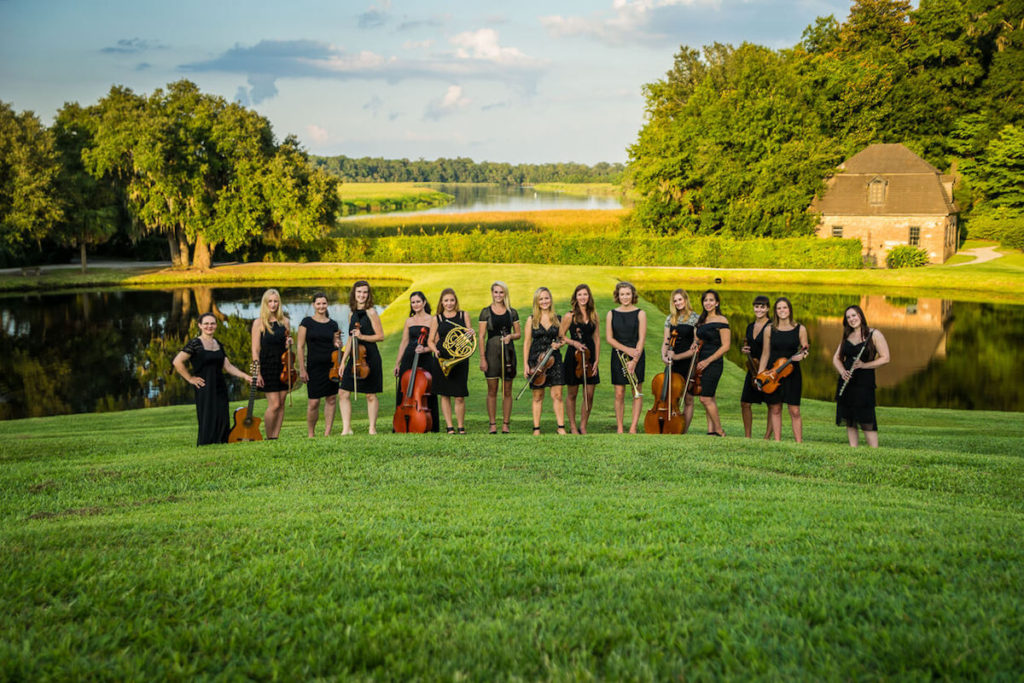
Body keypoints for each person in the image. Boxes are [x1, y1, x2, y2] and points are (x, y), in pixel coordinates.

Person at [173, 312, 254, 445]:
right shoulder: (195, 343)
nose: (209, 326)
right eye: (206, 323)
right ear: (200, 325)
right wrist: (190, 378)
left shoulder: (218, 344)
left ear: (216, 325)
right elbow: (177, 362)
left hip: (220, 385)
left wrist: (245, 376)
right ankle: (207, 443)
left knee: (222, 415)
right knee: (208, 416)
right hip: (204, 386)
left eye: (212, 323)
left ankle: (222, 441)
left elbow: (227, 366)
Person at [833, 304, 890, 448]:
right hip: (847, 382)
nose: (852, 319)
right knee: (850, 417)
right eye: (848, 317)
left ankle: (874, 450)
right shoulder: (847, 336)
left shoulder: (874, 334)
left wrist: (864, 365)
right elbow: (836, 358)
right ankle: (853, 449)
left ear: (860, 315)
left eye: (854, 315)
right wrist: (842, 372)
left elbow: (885, 358)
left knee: (867, 416)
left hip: (864, 382)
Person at [759, 297, 810, 443]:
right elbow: (765, 353)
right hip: (773, 374)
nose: (782, 311)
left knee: (794, 410)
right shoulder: (769, 329)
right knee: (775, 409)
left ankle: (799, 443)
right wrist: (760, 375)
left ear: (790, 310)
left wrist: (803, 356)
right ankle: (777, 441)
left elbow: (805, 349)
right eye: (779, 308)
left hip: (792, 373)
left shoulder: (800, 328)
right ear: (775, 311)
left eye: (785, 308)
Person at [339, 280, 384, 435]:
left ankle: (372, 428)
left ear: (368, 294)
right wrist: (343, 361)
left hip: (369, 356)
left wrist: (362, 335)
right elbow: (351, 339)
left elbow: (380, 336)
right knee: (343, 392)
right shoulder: (352, 313)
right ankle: (346, 428)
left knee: (370, 394)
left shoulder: (371, 312)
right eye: (359, 292)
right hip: (354, 356)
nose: (362, 295)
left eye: (365, 292)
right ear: (354, 294)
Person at [428, 288, 474, 434]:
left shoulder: (463, 315)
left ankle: (461, 426)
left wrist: (471, 333)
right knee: (445, 394)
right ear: (442, 302)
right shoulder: (437, 318)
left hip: (459, 360)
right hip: (443, 359)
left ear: (456, 301)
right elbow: (430, 340)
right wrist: (435, 350)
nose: (449, 303)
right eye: (446, 300)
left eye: (452, 300)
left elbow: (468, 336)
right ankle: (449, 426)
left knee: (459, 395)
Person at [393, 291, 439, 433]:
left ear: (424, 302)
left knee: (427, 391)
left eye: (418, 301)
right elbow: (404, 342)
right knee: (405, 390)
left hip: (425, 358)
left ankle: (429, 424)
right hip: (409, 357)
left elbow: (436, 343)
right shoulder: (409, 321)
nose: (415, 305)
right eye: (413, 302)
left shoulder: (433, 320)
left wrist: (425, 349)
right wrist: (397, 363)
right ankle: (402, 423)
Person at [523, 286, 566, 435]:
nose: (544, 301)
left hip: (555, 360)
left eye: (546, 298)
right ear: (537, 301)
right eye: (541, 299)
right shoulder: (531, 319)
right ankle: (536, 428)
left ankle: (561, 427)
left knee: (558, 395)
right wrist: (525, 365)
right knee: (538, 396)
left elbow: (563, 339)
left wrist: (559, 344)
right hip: (536, 361)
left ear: (551, 299)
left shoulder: (558, 318)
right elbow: (527, 342)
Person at [478, 281, 520, 434]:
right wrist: (482, 358)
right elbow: (481, 336)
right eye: (496, 292)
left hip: (508, 353)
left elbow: (518, 334)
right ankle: (492, 424)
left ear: (505, 294)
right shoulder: (485, 312)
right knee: (492, 390)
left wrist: (510, 336)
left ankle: (506, 424)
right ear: (492, 293)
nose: (498, 295)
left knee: (507, 390)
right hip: (491, 353)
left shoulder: (512, 312)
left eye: (501, 292)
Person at [296, 292, 340, 437]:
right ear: (314, 305)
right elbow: (300, 347)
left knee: (331, 399)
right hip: (314, 367)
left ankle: (327, 433)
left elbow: (336, 344)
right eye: (318, 303)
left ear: (327, 305)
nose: (321, 306)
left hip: (331, 367)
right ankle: (311, 434)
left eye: (324, 303)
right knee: (313, 402)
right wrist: (302, 369)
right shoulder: (306, 322)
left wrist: (338, 344)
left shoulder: (333, 324)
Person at [559, 284, 601, 434]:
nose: (583, 297)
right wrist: (574, 343)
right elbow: (561, 335)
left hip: (590, 357)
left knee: (589, 394)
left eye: (585, 294)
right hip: (573, 357)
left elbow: (596, 339)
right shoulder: (569, 316)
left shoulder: (594, 315)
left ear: (589, 297)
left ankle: (583, 426)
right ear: (575, 297)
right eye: (580, 295)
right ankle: (572, 426)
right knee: (573, 393)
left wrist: (597, 360)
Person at [250, 288, 292, 439]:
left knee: (281, 403)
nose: (273, 304)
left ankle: (275, 436)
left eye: (276, 301)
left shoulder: (285, 321)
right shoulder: (258, 323)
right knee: (274, 404)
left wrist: (289, 343)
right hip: (267, 367)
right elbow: (255, 351)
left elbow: (286, 346)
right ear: (265, 303)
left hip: (283, 367)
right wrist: (257, 373)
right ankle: (268, 436)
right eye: (270, 301)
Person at [606, 281, 647, 434]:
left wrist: (634, 361)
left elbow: (641, 339)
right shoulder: (611, 313)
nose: (625, 297)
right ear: (618, 295)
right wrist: (627, 351)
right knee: (619, 392)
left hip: (637, 354)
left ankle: (633, 427)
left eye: (628, 294)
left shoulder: (640, 313)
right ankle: (620, 427)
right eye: (622, 294)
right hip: (619, 354)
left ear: (633, 295)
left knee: (636, 390)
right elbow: (609, 339)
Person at [661, 288, 699, 433]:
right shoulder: (670, 318)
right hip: (672, 362)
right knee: (672, 397)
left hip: (687, 362)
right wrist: (664, 356)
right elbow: (666, 340)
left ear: (686, 299)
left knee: (688, 399)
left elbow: (695, 347)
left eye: (680, 299)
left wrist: (677, 356)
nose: (678, 303)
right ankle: (672, 426)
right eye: (675, 301)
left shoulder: (695, 318)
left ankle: (683, 430)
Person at [694, 289, 730, 437]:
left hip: (713, 362)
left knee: (705, 398)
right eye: (705, 300)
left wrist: (707, 361)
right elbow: (698, 340)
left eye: (711, 300)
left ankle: (720, 430)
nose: (708, 303)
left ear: (717, 303)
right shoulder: (701, 321)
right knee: (710, 396)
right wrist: (694, 344)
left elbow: (725, 346)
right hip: (700, 361)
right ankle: (711, 431)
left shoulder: (722, 320)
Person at [740, 295, 772, 439]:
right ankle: (748, 436)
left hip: (767, 370)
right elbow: (750, 346)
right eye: (756, 306)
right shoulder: (750, 326)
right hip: (753, 369)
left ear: (768, 309)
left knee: (772, 404)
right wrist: (745, 350)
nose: (759, 309)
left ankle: (766, 437)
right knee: (745, 402)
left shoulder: (772, 326)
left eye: (762, 307)